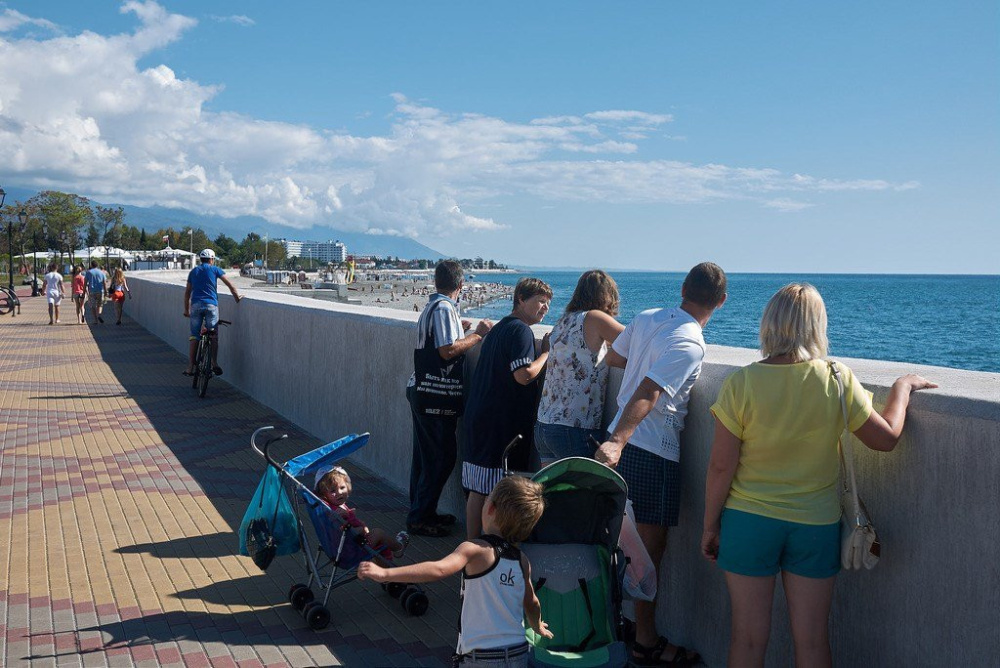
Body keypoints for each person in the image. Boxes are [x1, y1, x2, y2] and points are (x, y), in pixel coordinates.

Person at [700, 284, 937, 668]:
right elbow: (887, 438)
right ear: (816, 327)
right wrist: (903, 387)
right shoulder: (837, 378)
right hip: (815, 524)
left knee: (746, 640)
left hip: (748, 522)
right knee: (811, 642)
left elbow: (721, 467)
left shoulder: (742, 383)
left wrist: (711, 526)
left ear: (769, 324)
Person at [595, 262, 728, 667]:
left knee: (620, 545)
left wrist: (616, 436)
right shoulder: (692, 342)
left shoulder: (648, 316)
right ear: (720, 303)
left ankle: (614, 626)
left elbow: (616, 359)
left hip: (623, 440)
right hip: (651, 451)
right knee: (649, 553)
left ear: (683, 287)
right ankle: (646, 641)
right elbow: (651, 391)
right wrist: (618, 442)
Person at [358, 476, 552, 667]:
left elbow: (438, 569)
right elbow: (532, 602)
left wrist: (385, 574)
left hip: (482, 656)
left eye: (486, 499)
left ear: (491, 508)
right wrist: (537, 626)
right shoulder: (521, 560)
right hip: (518, 651)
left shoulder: (474, 549)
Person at [406, 260, 493, 537]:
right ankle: (420, 517)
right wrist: (477, 335)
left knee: (425, 456)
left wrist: (460, 329)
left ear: (436, 282)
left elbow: (440, 343)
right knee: (441, 457)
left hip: (422, 390)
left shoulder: (433, 306)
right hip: (434, 394)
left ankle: (421, 511)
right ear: (461, 284)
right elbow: (447, 351)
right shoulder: (444, 307)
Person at [463, 277, 552, 539]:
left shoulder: (501, 328)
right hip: (499, 426)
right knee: (495, 491)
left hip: (481, 419)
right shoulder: (521, 331)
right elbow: (523, 375)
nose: (545, 308)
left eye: (548, 304)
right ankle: (486, 551)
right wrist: (545, 353)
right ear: (521, 300)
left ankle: (471, 547)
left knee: (478, 488)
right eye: (540, 301)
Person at [534, 270, 625, 464]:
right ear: (607, 296)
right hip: (574, 428)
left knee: (553, 494)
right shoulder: (595, 318)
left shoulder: (563, 321)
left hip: (544, 425)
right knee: (582, 494)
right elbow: (635, 341)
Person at [315, 466, 407, 559]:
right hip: (351, 551)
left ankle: (383, 568)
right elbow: (343, 533)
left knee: (379, 543)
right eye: (333, 491)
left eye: (342, 487)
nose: (339, 492)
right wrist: (362, 529)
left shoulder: (327, 507)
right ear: (324, 494)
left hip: (339, 549)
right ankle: (399, 548)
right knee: (378, 533)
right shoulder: (335, 514)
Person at [183, 249, 241, 376]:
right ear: (212, 259)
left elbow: (187, 292)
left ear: (201, 259)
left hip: (196, 306)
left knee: (194, 336)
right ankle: (214, 363)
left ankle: (190, 367)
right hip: (211, 306)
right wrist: (236, 297)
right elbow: (230, 285)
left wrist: (186, 310)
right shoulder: (215, 270)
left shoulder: (194, 271)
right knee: (213, 335)